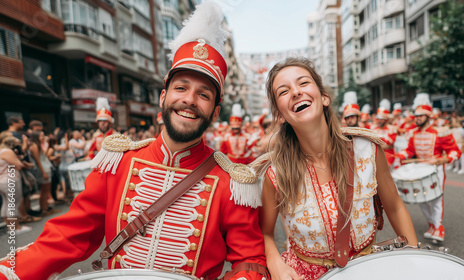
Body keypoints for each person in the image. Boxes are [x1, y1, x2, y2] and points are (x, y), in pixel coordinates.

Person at [0, 3, 267, 280]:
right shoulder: (118, 163)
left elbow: (250, 261)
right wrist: (10, 272)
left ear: (215, 111)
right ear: (163, 97)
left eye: (204, 94)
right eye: (181, 88)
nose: (189, 99)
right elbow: (67, 238)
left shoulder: (232, 183)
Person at [255, 57, 417, 280]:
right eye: (283, 92)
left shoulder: (367, 149)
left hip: (369, 270)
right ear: (280, 115)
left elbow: (396, 207)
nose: (295, 92)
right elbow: (264, 232)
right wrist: (275, 264)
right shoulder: (275, 174)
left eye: (303, 83)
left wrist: (414, 260)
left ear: (324, 97)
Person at [396, 93, 461, 242]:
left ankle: (439, 229)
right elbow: (410, 150)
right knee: (421, 198)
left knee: (436, 198)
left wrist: (443, 159)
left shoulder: (441, 132)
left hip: (435, 170)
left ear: (428, 116)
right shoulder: (413, 134)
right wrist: (400, 155)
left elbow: (455, 151)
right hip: (420, 169)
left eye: (420, 116)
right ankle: (432, 224)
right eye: (416, 116)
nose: (417, 119)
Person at [0, 134, 33, 234]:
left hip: (3, 181)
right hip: (10, 180)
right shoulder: (8, 152)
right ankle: (16, 228)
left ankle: (11, 227)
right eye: (18, 144)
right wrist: (22, 162)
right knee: (13, 204)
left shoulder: (2, 151)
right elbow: (18, 166)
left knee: (6, 203)